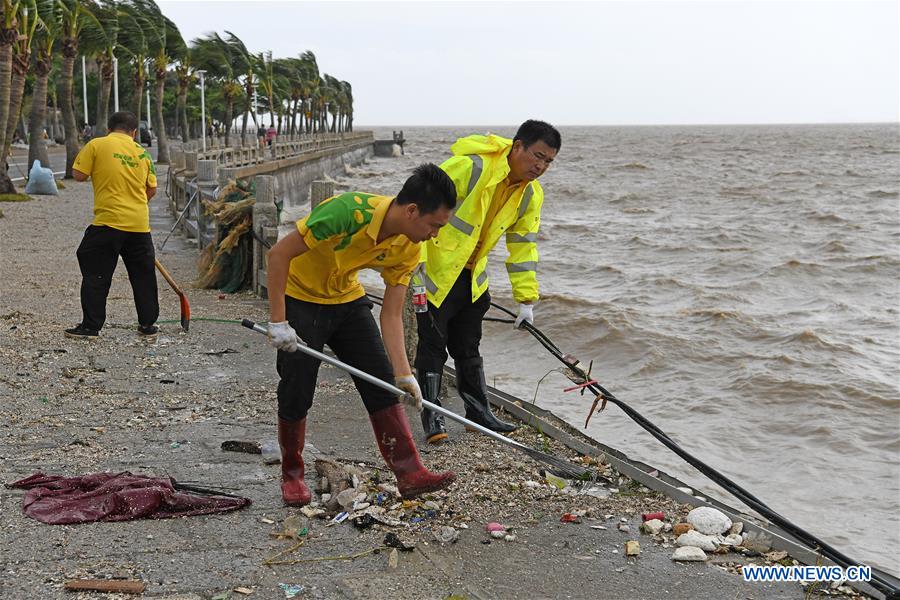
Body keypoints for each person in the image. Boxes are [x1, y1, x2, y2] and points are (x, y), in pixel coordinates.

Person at [266, 163, 458, 506]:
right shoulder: (348, 212)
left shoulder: (410, 247)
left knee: (380, 381)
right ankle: (292, 473)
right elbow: (278, 254)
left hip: (347, 300)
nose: (436, 235)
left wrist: (403, 375)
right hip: (301, 297)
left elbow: (393, 312)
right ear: (413, 211)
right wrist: (279, 322)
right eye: (435, 225)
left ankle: (410, 472)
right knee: (297, 388)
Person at [414, 119, 562, 444]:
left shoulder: (530, 195)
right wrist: (413, 268)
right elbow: (418, 205)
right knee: (432, 345)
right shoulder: (472, 167)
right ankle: (432, 416)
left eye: (548, 161)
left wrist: (526, 300)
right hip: (434, 273)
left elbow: (523, 247)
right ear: (517, 146)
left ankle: (478, 414)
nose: (540, 166)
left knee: (468, 346)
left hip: (472, 278)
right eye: (537, 156)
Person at [65, 111, 159, 340]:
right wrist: (133, 203)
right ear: (134, 132)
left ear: (109, 128)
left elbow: (78, 175)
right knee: (143, 275)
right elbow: (152, 189)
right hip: (139, 225)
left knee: (95, 271)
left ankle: (91, 327)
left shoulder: (97, 145)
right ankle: (148, 325)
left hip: (108, 222)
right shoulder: (143, 154)